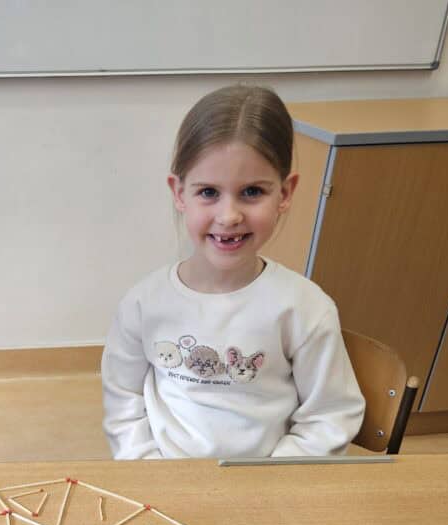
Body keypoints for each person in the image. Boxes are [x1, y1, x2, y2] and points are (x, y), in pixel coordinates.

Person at [102, 84, 364, 460]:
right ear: (179, 193)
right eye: (209, 192)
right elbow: (123, 405)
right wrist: (151, 471)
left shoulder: (306, 308)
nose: (229, 216)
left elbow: (330, 417)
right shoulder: (143, 303)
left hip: (267, 483)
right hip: (164, 482)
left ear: (285, 193)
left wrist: (268, 481)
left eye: (252, 191)